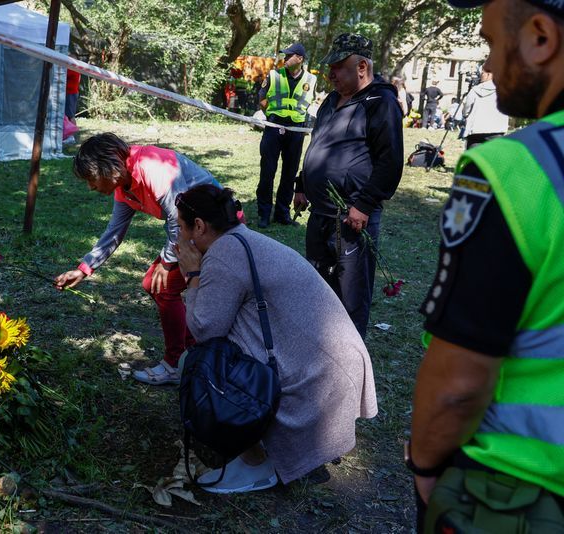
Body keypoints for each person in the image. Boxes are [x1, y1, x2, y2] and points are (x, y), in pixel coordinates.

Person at [409, 0, 564, 531]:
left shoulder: (512, 169)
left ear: (540, 37)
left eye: (494, 43)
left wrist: (424, 464)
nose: (491, 65)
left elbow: (459, 381)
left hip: (521, 488)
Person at [174, 184, 378, 494]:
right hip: (340, 368)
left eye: (180, 227)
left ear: (199, 226)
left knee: (196, 363)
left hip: (320, 381)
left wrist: (192, 276)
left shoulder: (223, 254)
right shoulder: (242, 239)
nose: (178, 236)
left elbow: (204, 329)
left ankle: (256, 462)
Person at [54, 133, 221, 385]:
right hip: (193, 231)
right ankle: (193, 353)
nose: (90, 187)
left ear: (108, 166)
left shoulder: (151, 167)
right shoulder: (124, 185)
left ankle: (177, 363)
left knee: (162, 286)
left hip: (215, 228)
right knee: (153, 284)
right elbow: (114, 231)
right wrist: (84, 268)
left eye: (91, 178)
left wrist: (167, 262)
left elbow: (178, 217)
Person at [295, 33, 404, 339]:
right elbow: (317, 144)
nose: (330, 74)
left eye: (338, 67)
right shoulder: (331, 101)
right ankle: (321, 345)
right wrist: (302, 184)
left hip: (351, 218)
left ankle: (350, 355)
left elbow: (390, 162)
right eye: (330, 67)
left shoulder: (381, 102)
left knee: (350, 296)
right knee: (318, 285)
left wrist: (364, 204)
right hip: (321, 213)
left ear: (362, 67)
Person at [256, 42, 316, 228]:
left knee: (289, 173)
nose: (285, 58)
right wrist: (272, 116)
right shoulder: (274, 75)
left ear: (300, 59)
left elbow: (310, 102)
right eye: (285, 55)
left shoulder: (311, 79)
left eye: (289, 56)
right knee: (267, 172)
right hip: (274, 127)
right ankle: (264, 213)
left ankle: (282, 213)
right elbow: (262, 99)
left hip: (296, 130)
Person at [462, 70, 510, 149]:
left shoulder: (475, 90)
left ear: (489, 74)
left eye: (482, 73)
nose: (480, 75)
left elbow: (466, 109)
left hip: (476, 131)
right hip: (497, 131)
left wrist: (466, 115)